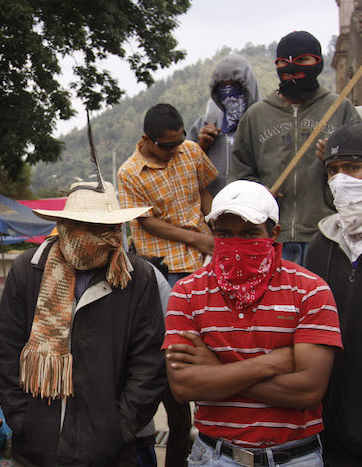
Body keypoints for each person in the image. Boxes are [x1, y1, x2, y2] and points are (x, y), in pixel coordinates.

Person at [164, 180, 342, 466]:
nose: (236, 245)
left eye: (249, 234)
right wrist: (269, 364)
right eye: (224, 234)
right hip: (216, 456)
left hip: (295, 457)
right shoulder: (187, 291)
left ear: (274, 233)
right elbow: (184, 387)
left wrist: (217, 371)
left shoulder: (310, 290)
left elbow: (308, 391)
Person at [0, 181, 166, 466]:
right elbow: (7, 354)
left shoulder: (138, 278)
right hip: (34, 453)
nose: (99, 236)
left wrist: (118, 427)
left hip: (109, 454)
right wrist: (25, 422)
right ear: (65, 225)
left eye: (105, 228)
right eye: (85, 225)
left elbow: (149, 366)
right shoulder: (28, 270)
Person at [230, 30, 362, 266]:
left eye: (302, 61)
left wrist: (333, 163)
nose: (291, 68)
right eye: (283, 62)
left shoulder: (340, 109)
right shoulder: (256, 116)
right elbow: (240, 176)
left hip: (329, 234)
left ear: (318, 62)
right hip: (271, 237)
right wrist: (259, 192)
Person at [305, 122, 362, 465]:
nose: (341, 180)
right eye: (333, 171)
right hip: (333, 429)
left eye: (353, 167)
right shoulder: (322, 244)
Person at [118, 103, 218, 287]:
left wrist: (216, 223)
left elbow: (202, 192)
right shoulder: (129, 173)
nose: (174, 150)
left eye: (178, 142)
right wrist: (196, 239)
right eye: (167, 146)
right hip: (167, 264)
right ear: (147, 139)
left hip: (206, 255)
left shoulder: (192, 151)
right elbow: (147, 221)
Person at [187, 53, 261, 195]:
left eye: (235, 85)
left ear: (248, 86)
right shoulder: (207, 122)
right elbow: (181, 165)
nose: (229, 92)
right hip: (213, 203)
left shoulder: (262, 120)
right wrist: (201, 146)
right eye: (223, 86)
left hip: (251, 203)